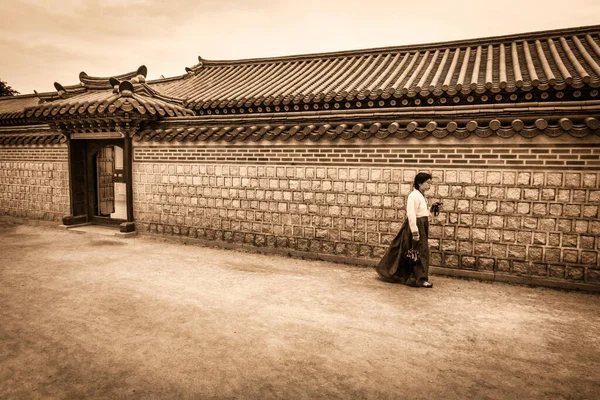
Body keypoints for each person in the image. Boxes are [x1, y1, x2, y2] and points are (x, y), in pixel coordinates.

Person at [376, 172, 440, 288]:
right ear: (420, 183)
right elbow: (411, 214)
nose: (430, 185)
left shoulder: (421, 195)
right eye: (427, 183)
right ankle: (420, 279)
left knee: (414, 252)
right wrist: (415, 232)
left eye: (430, 183)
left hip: (421, 224)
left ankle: (411, 276)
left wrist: (432, 209)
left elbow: (422, 212)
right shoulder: (413, 196)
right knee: (420, 252)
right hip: (415, 226)